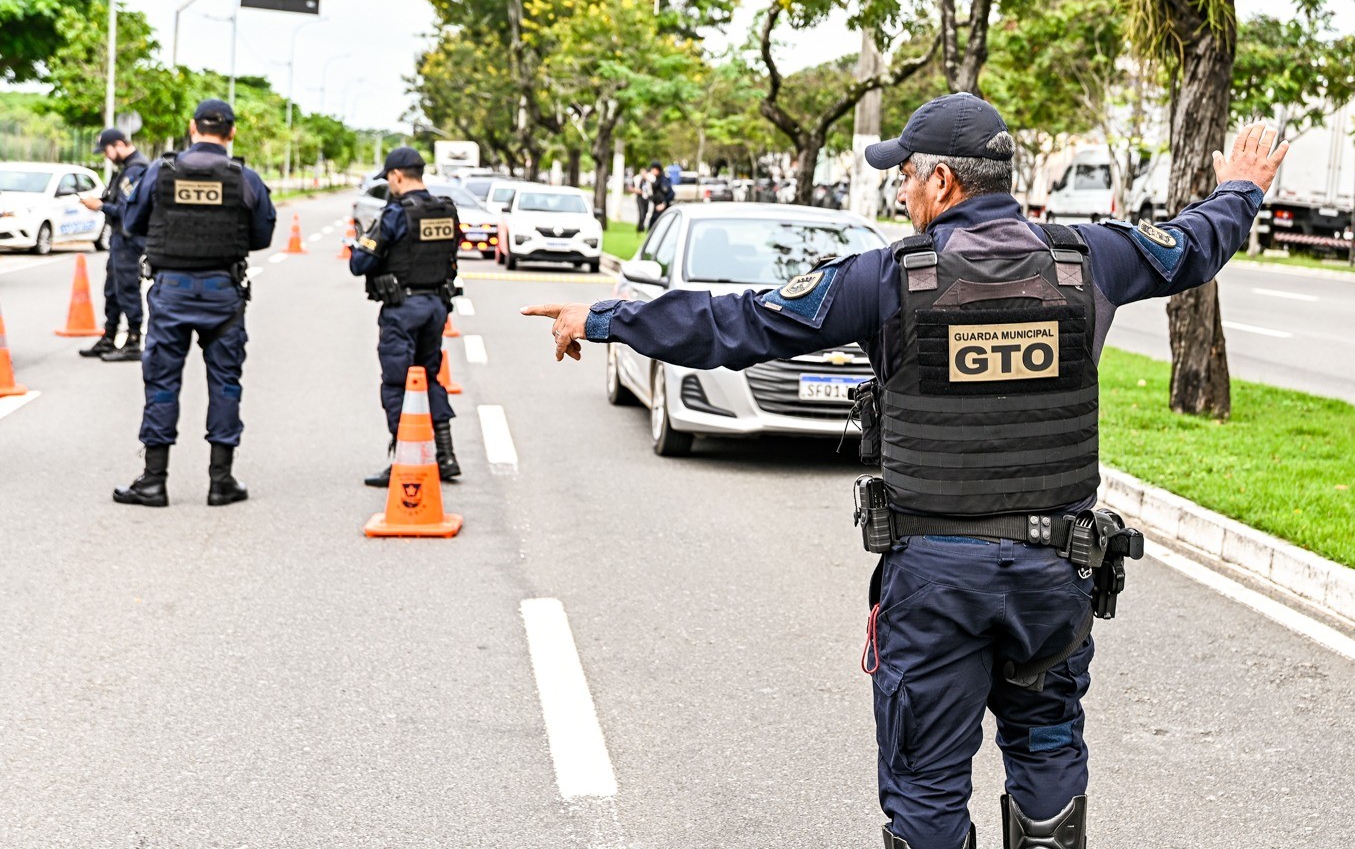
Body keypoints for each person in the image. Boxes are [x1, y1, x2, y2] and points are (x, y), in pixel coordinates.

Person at [522, 93, 1289, 849]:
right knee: (1048, 755)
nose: (899, 189)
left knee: (926, 786)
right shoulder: (1093, 258)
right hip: (1055, 575)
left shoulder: (886, 278)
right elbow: (1194, 245)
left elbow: (739, 324)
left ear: (944, 185)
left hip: (935, 583)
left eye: (906, 175)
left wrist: (604, 319)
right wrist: (1243, 188)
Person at [112, 99, 276, 508]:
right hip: (223, 291)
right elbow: (261, 236)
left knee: (162, 382)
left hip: (171, 291)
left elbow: (131, 223)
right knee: (225, 382)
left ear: (192, 127)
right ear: (232, 132)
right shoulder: (245, 177)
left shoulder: (159, 172)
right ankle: (221, 481)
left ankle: (153, 481)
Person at [349, 146, 463, 487]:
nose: (390, 186)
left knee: (397, 382)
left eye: (390, 180)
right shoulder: (445, 210)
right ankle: (445, 454)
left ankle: (405, 458)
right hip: (436, 306)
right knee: (429, 376)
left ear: (397, 176)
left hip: (403, 310)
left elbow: (360, 264)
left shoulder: (396, 213)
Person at [78, 127, 150, 362]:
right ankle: (109, 335)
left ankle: (132, 340)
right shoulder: (126, 170)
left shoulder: (136, 170)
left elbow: (129, 210)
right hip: (120, 238)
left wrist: (99, 206)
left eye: (107, 150)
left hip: (130, 239)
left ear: (119, 144)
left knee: (127, 288)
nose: (106, 155)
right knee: (113, 289)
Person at [649, 161, 675, 228]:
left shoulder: (663, 180)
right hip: (657, 207)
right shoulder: (657, 180)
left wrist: (664, 203)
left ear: (657, 170)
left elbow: (671, 193)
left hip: (663, 208)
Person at [631, 166, 653, 233]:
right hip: (639, 197)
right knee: (641, 213)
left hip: (647, 198)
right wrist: (637, 191)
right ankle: (640, 228)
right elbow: (631, 188)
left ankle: (641, 226)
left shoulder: (649, 180)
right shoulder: (637, 179)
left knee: (646, 212)